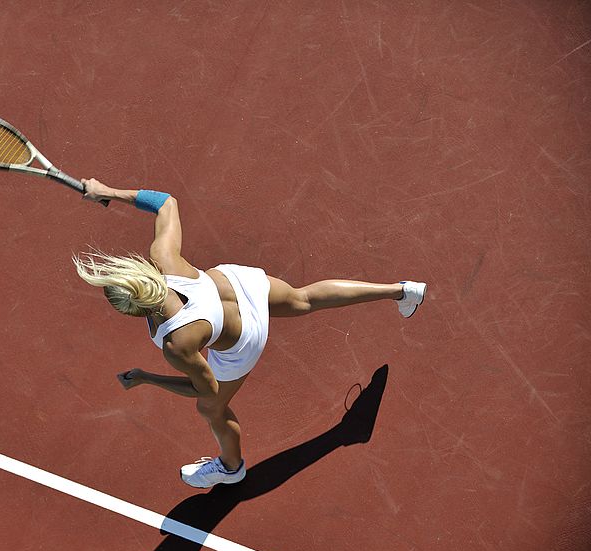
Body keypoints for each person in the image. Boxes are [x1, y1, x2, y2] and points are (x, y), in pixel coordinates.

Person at [73, 179, 426, 489]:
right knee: (302, 298)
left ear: (134, 309)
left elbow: (206, 388)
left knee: (211, 409)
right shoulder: (162, 258)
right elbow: (166, 202)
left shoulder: (175, 343)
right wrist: (108, 192)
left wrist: (147, 379)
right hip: (239, 285)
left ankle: (230, 468)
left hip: (242, 340)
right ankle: (402, 290)